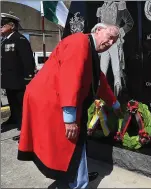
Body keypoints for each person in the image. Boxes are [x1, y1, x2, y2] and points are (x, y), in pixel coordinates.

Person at [17, 23, 121, 188]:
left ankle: (77, 176)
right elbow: (70, 79)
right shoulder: (80, 42)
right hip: (52, 100)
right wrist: (70, 118)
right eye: (110, 37)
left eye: (114, 42)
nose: (110, 44)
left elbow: (98, 80)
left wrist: (114, 104)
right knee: (73, 144)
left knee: (75, 145)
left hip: (55, 99)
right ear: (99, 30)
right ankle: (79, 183)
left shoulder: (88, 48)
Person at [1, 13, 36, 138]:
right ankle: (14, 120)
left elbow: (27, 61)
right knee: (13, 104)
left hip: (19, 81)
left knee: (22, 107)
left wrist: (28, 79)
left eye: (2, 25)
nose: (0, 27)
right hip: (9, 81)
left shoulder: (19, 39)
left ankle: (25, 130)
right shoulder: (5, 40)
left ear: (11, 26)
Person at [96, 1, 134, 97]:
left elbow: (129, 22)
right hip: (104, 45)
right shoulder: (100, 9)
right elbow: (99, 29)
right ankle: (101, 100)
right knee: (102, 72)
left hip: (114, 44)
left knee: (117, 72)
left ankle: (118, 100)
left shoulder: (119, 6)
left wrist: (118, 33)